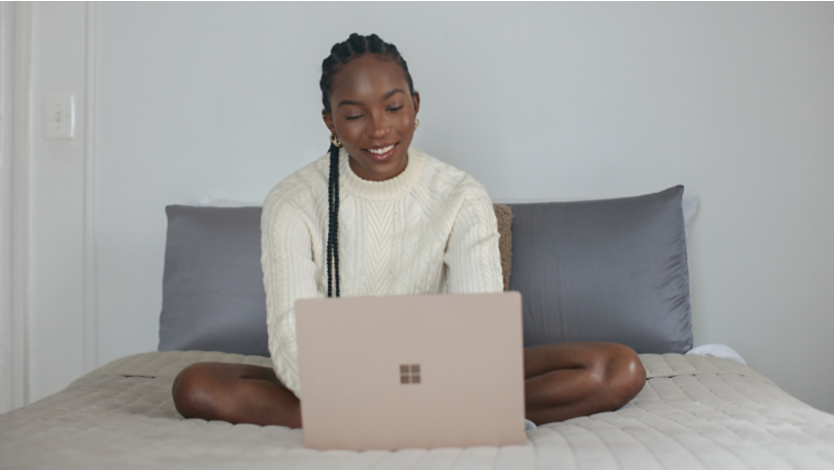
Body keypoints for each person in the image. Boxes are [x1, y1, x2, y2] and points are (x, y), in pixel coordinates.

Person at [172, 33, 646, 429]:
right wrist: (362, 392)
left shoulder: (460, 195)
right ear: (331, 122)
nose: (379, 129)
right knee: (195, 386)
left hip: (443, 372)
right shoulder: (292, 202)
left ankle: (386, 421)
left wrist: (429, 385)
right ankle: (438, 420)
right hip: (340, 376)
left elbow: (478, 328)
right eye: (354, 115)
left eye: (393, 107)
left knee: (617, 369)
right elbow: (292, 338)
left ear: (415, 106)